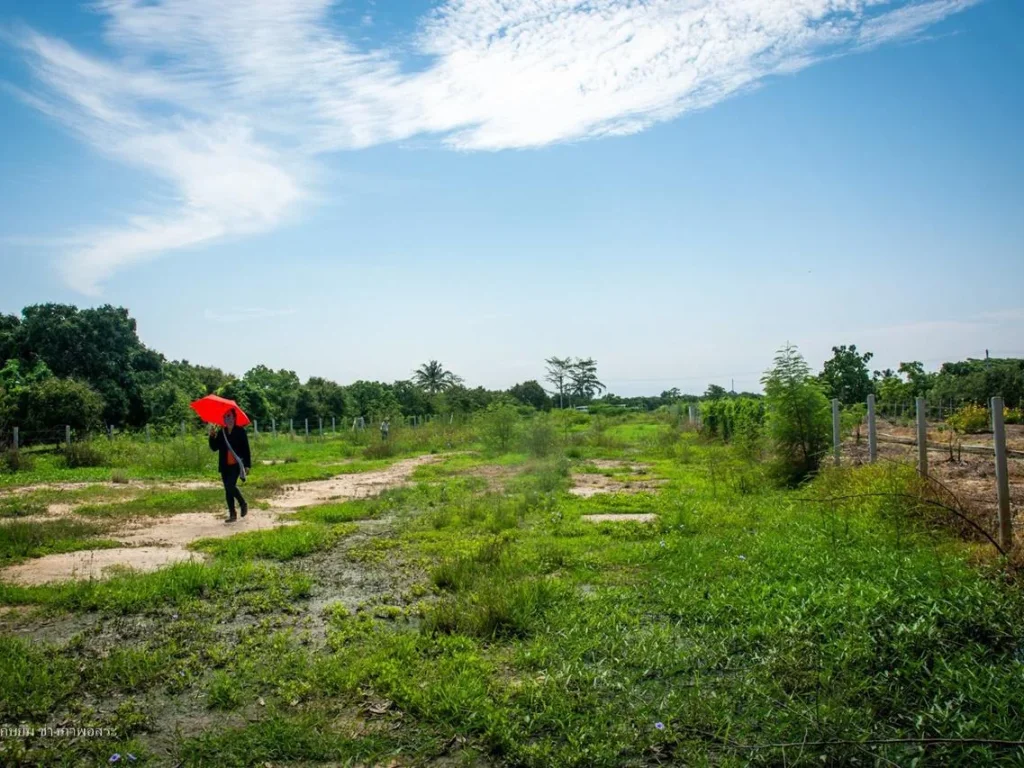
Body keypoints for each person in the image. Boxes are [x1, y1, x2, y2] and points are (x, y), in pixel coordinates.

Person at [209, 408, 251, 523]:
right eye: (226, 417)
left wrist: (247, 465)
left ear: (234, 417)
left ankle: (243, 503)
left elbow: (246, 449)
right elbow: (214, 448)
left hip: (236, 465)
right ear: (223, 419)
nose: (228, 419)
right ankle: (232, 514)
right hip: (224, 466)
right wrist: (212, 437)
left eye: (230, 416)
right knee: (228, 490)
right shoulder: (221, 433)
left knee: (230, 485)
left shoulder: (240, 431)